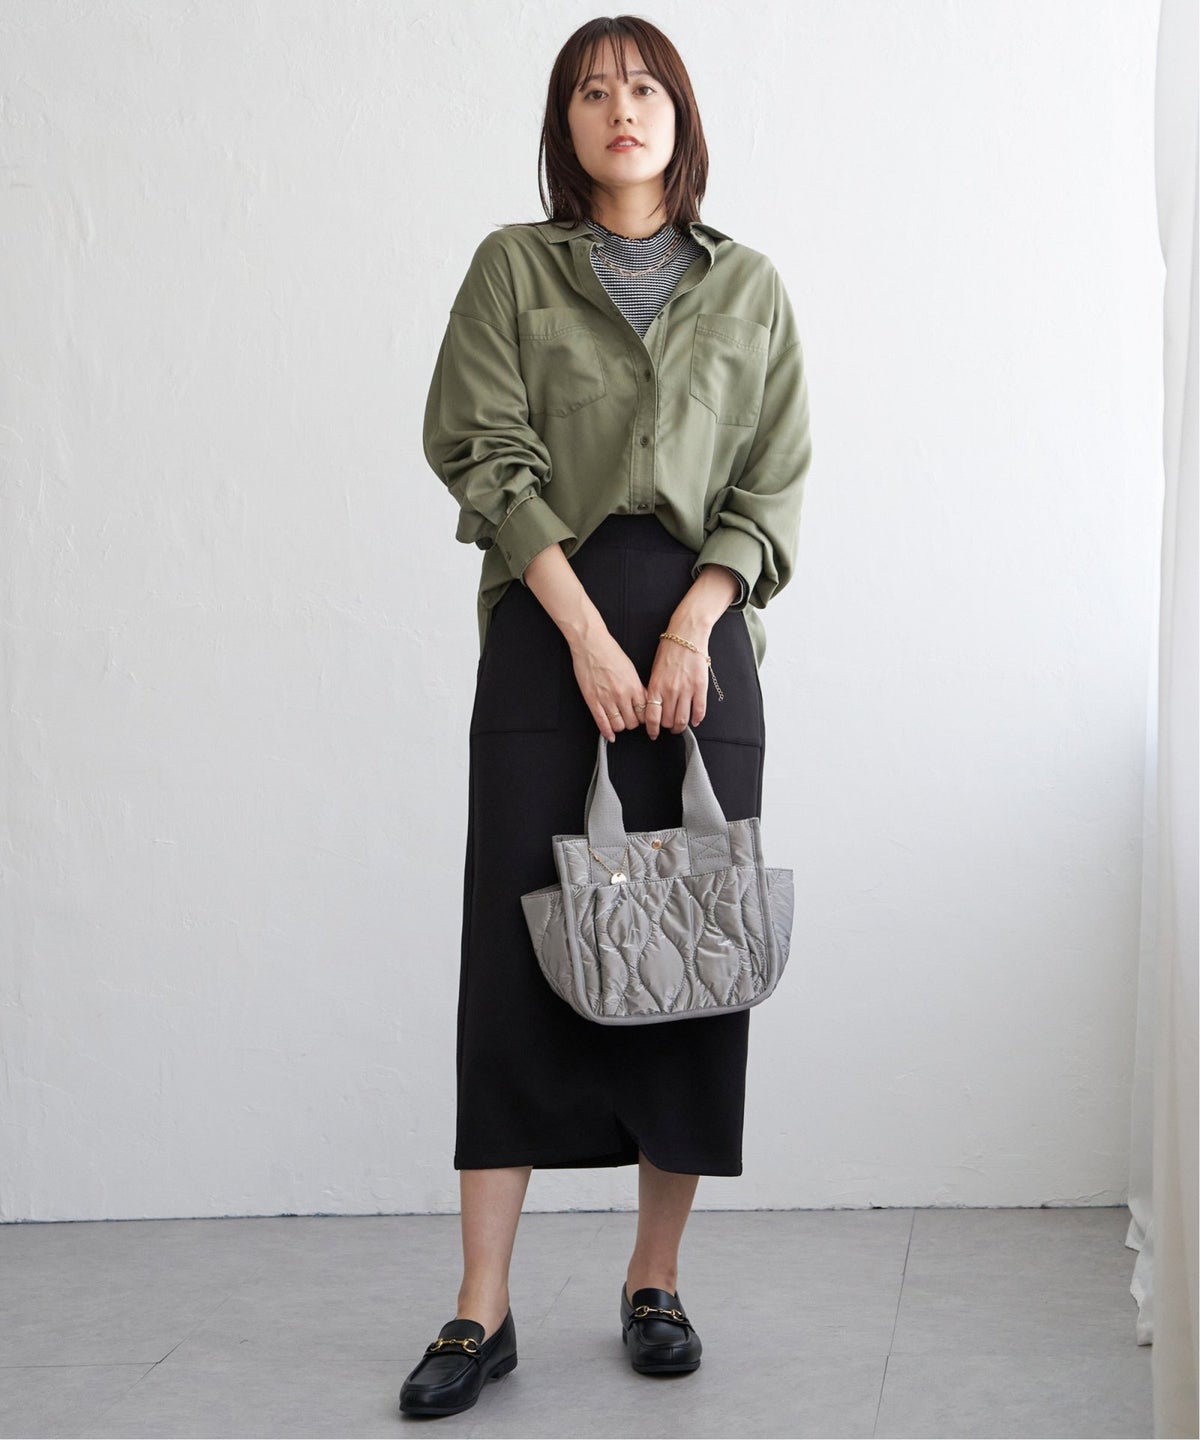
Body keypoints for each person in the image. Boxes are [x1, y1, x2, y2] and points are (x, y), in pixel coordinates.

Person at [400, 13, 812, 1419]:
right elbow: (480, 446)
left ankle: (655, 1281)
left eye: (642, 87)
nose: (618, 107)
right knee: (513, 948)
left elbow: (772, 477)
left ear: (679, 116)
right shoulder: (512, 269)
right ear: (563, 126)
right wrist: (582, 631)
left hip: (703, 644)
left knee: (695, 942)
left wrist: (693, 622)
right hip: (546, 628)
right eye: (590, 91)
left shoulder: (749, 286)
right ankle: (481, 1306)